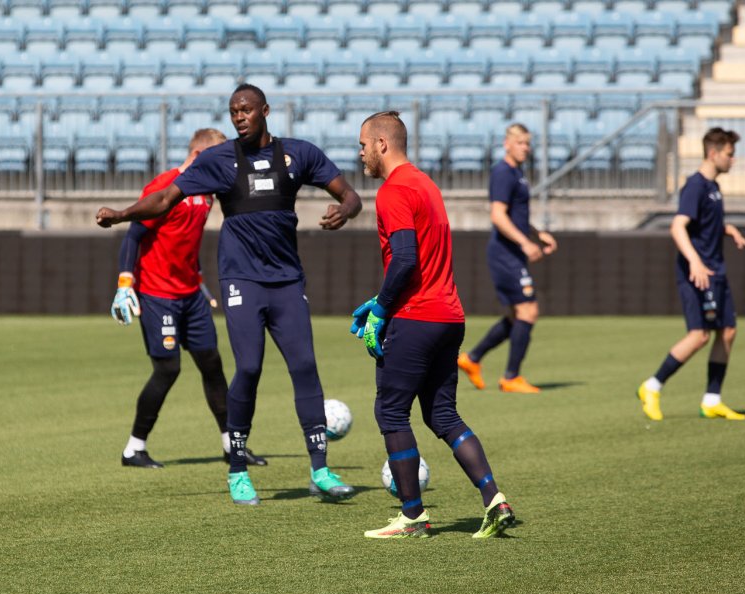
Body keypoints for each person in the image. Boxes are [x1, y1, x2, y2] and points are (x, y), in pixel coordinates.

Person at [98, 83, 363, 506]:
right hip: (241, 281)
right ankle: (237, 469)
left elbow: (349, 194)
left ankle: (320, 470)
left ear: (265, 111)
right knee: (249, 368)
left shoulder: (299, 154)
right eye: (233, 111)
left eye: (246, 110)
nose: (239, 117)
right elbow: (164, 199)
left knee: (304, 366)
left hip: (287, 281)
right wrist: (122, 214)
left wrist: (345, 211)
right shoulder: (218, 160)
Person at [351, 111, 515, 539]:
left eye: (363, 145)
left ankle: (412, 516)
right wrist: (381, 301)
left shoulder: (393, 191)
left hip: (416, 317)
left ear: (382, 144)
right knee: (442, 414)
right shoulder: (426, 184)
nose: (360, 153)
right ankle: (494, 499)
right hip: (449, 316)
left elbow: (405, 258)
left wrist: (382, 309)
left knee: (390, 411)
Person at [111, 127, 268, 469]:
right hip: (158, 294)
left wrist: (198, 278)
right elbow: (134, 234)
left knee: (212, 364)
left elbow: (185, 240)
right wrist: (125, 283)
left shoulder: (206, 191)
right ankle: (133, 449)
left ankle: (231, 446)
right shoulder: (165, 186)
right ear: (198, 156)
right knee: (168, 369)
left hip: (191, 295)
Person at [638, 128, 745, 421]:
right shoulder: (695, 186)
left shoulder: (713, 187)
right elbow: (678, 227)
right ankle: (652, 386)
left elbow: (705, 223)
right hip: (699, 273)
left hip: (716, 270)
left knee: (728, 330)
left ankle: (712, 399)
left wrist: (728, 229)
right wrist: (695, 263)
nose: (733, 160)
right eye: (729, 154)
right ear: (713, 153)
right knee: (699, 335)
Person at [457, 123, 557, 394]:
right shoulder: (503, 172)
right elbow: (498, 215)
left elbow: (516, 215)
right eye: (520, 143)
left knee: (517, 315)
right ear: (507, 144)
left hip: (513, 252)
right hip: (505, 253)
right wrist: (525, 242)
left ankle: (472, 358)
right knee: (528, 311)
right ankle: (511, 377)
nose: (525, 148)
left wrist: (537, 233)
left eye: (528, 143)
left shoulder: (517, 173)